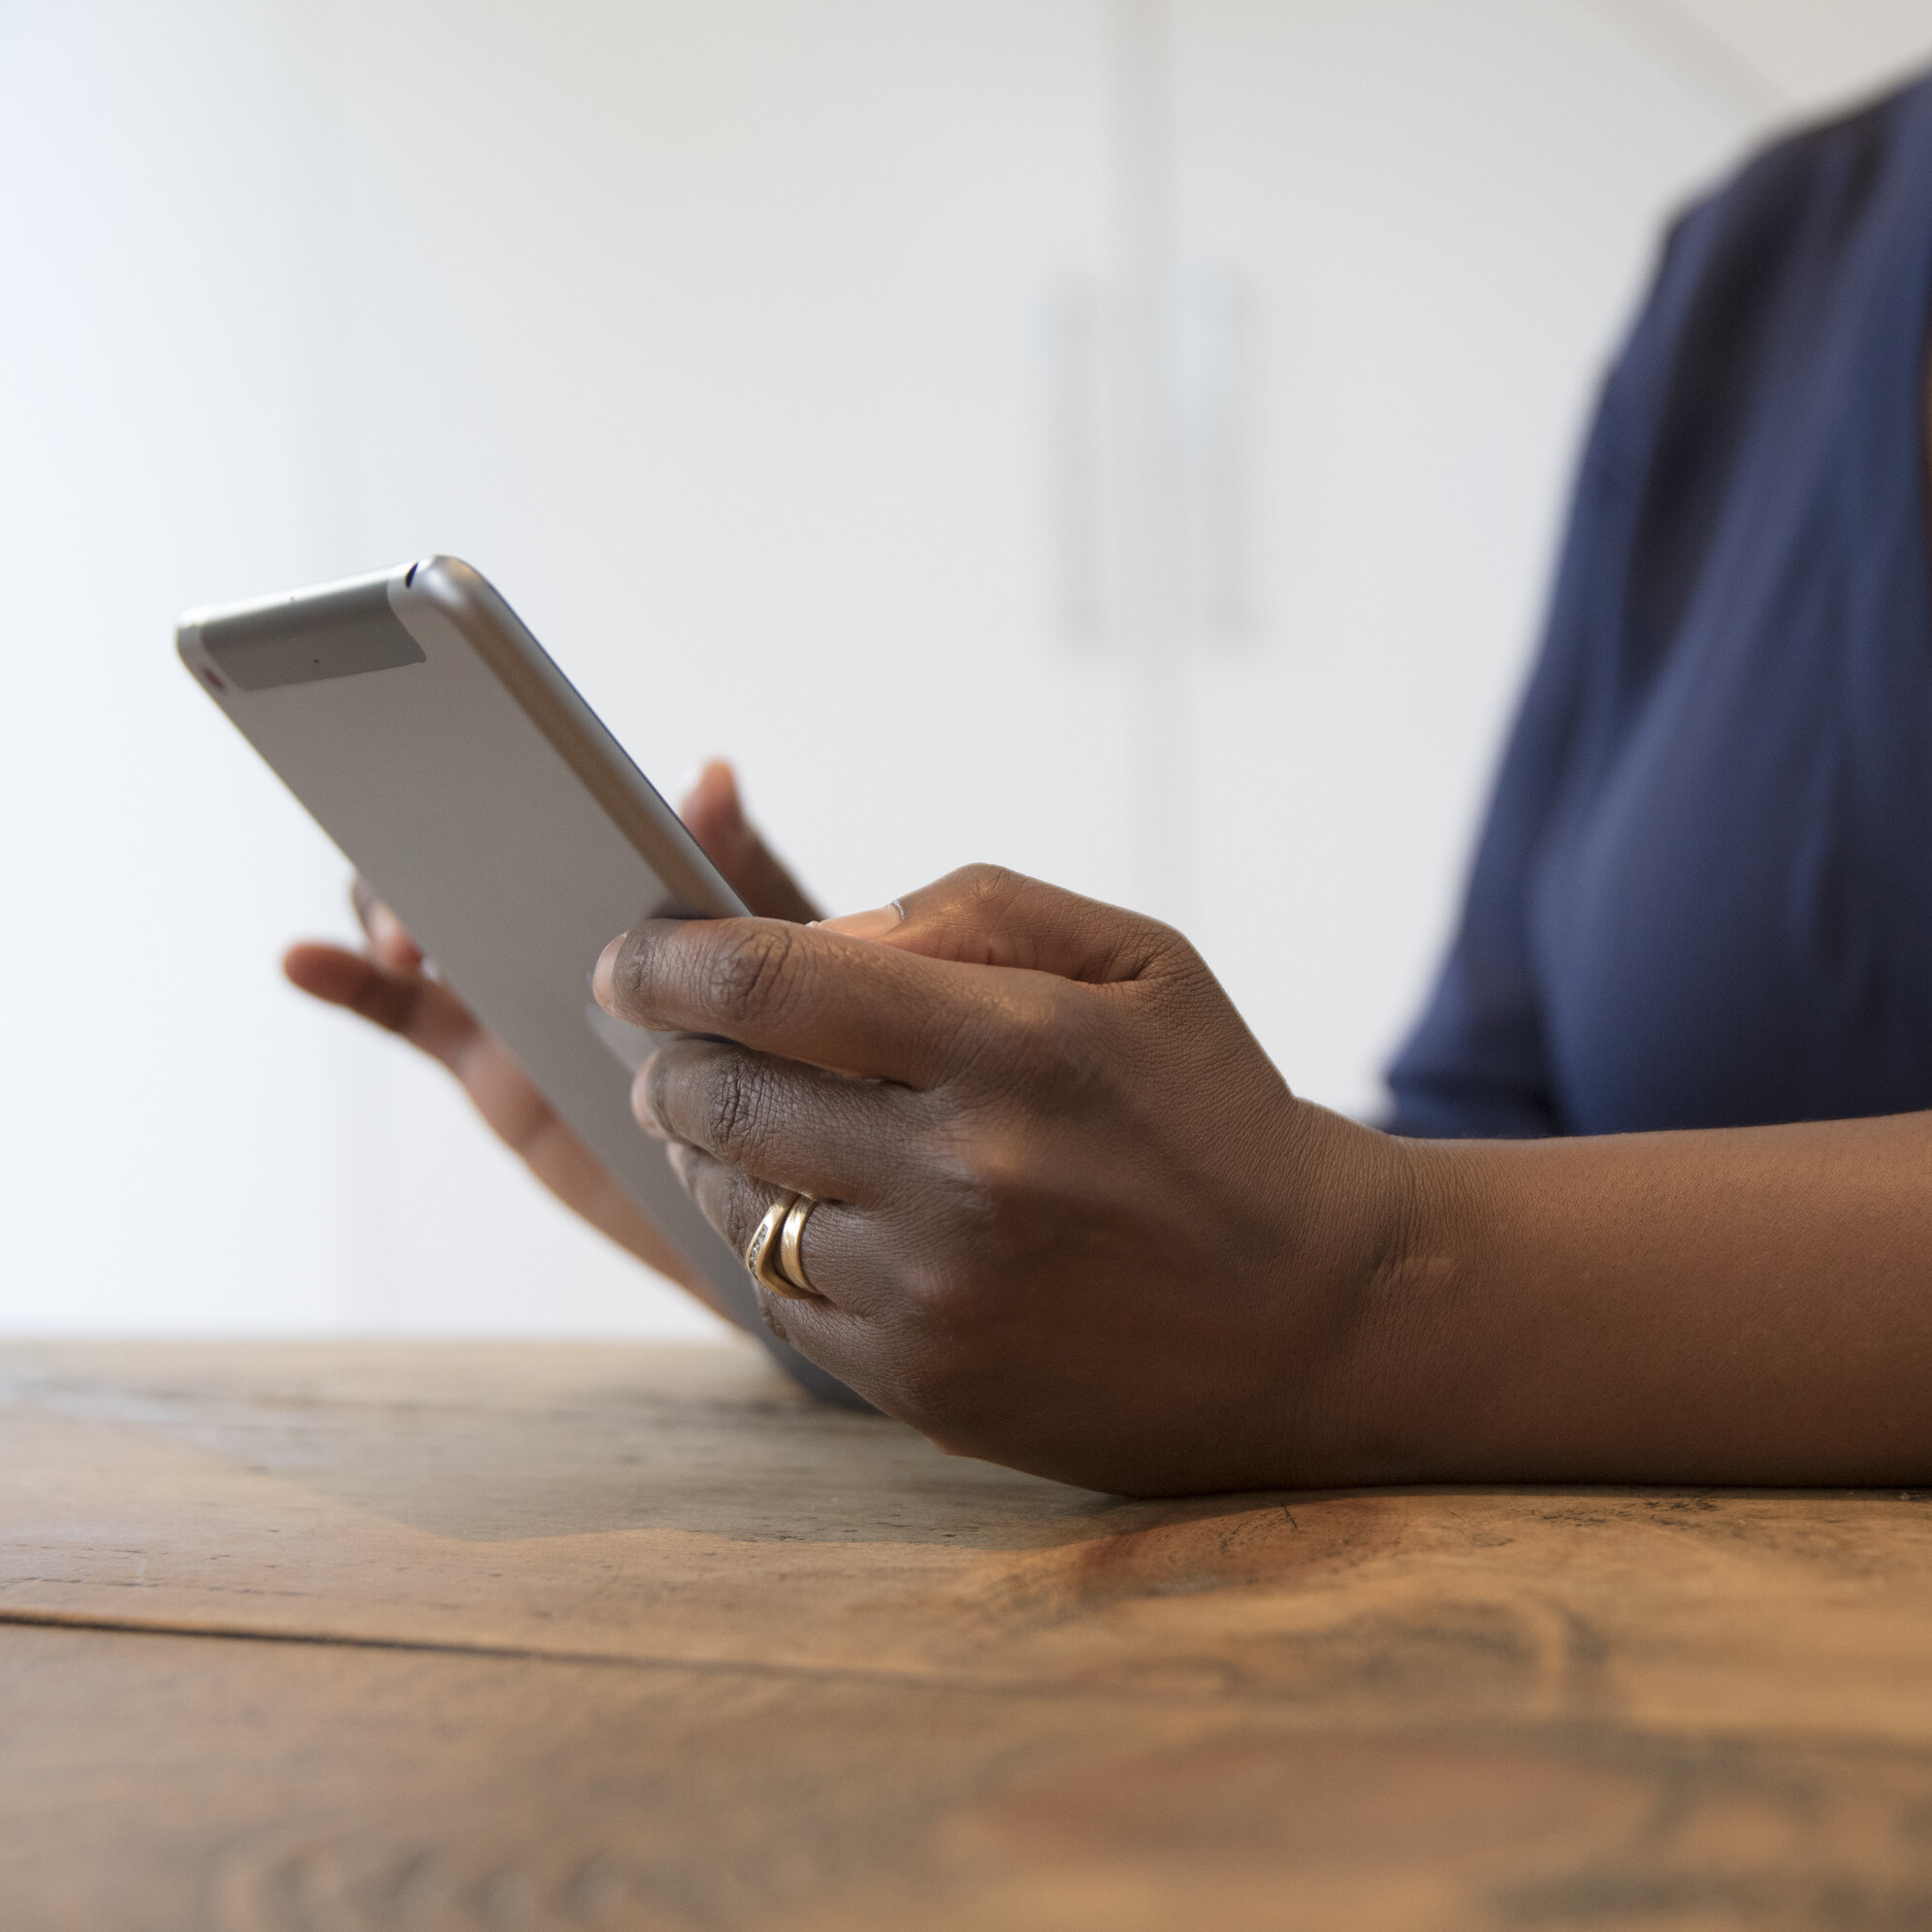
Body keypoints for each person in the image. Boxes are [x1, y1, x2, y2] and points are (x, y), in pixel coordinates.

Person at [288, 75, 1932, 1497]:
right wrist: (874, 1195)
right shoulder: (1762, 264)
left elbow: (1407, 1263)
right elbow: (1485, 1143)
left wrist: (1344, 1296)